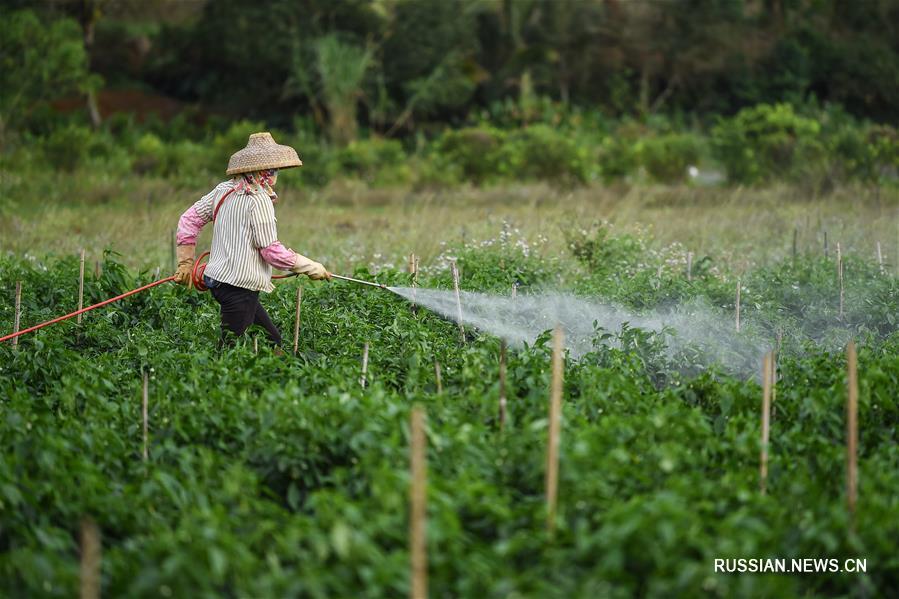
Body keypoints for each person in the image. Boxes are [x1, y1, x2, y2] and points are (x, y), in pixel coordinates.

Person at [172, 132, 330, 347]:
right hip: (239, 286)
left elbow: (188, 220)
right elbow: (270, 251)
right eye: (273, 171)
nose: (275, 176)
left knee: (271, 342)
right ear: (263, 171)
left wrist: (186, 262)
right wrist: (311, 267)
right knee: (230, 348)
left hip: (219, 283)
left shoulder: (223, 190)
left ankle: (278, 366)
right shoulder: (259, 199)